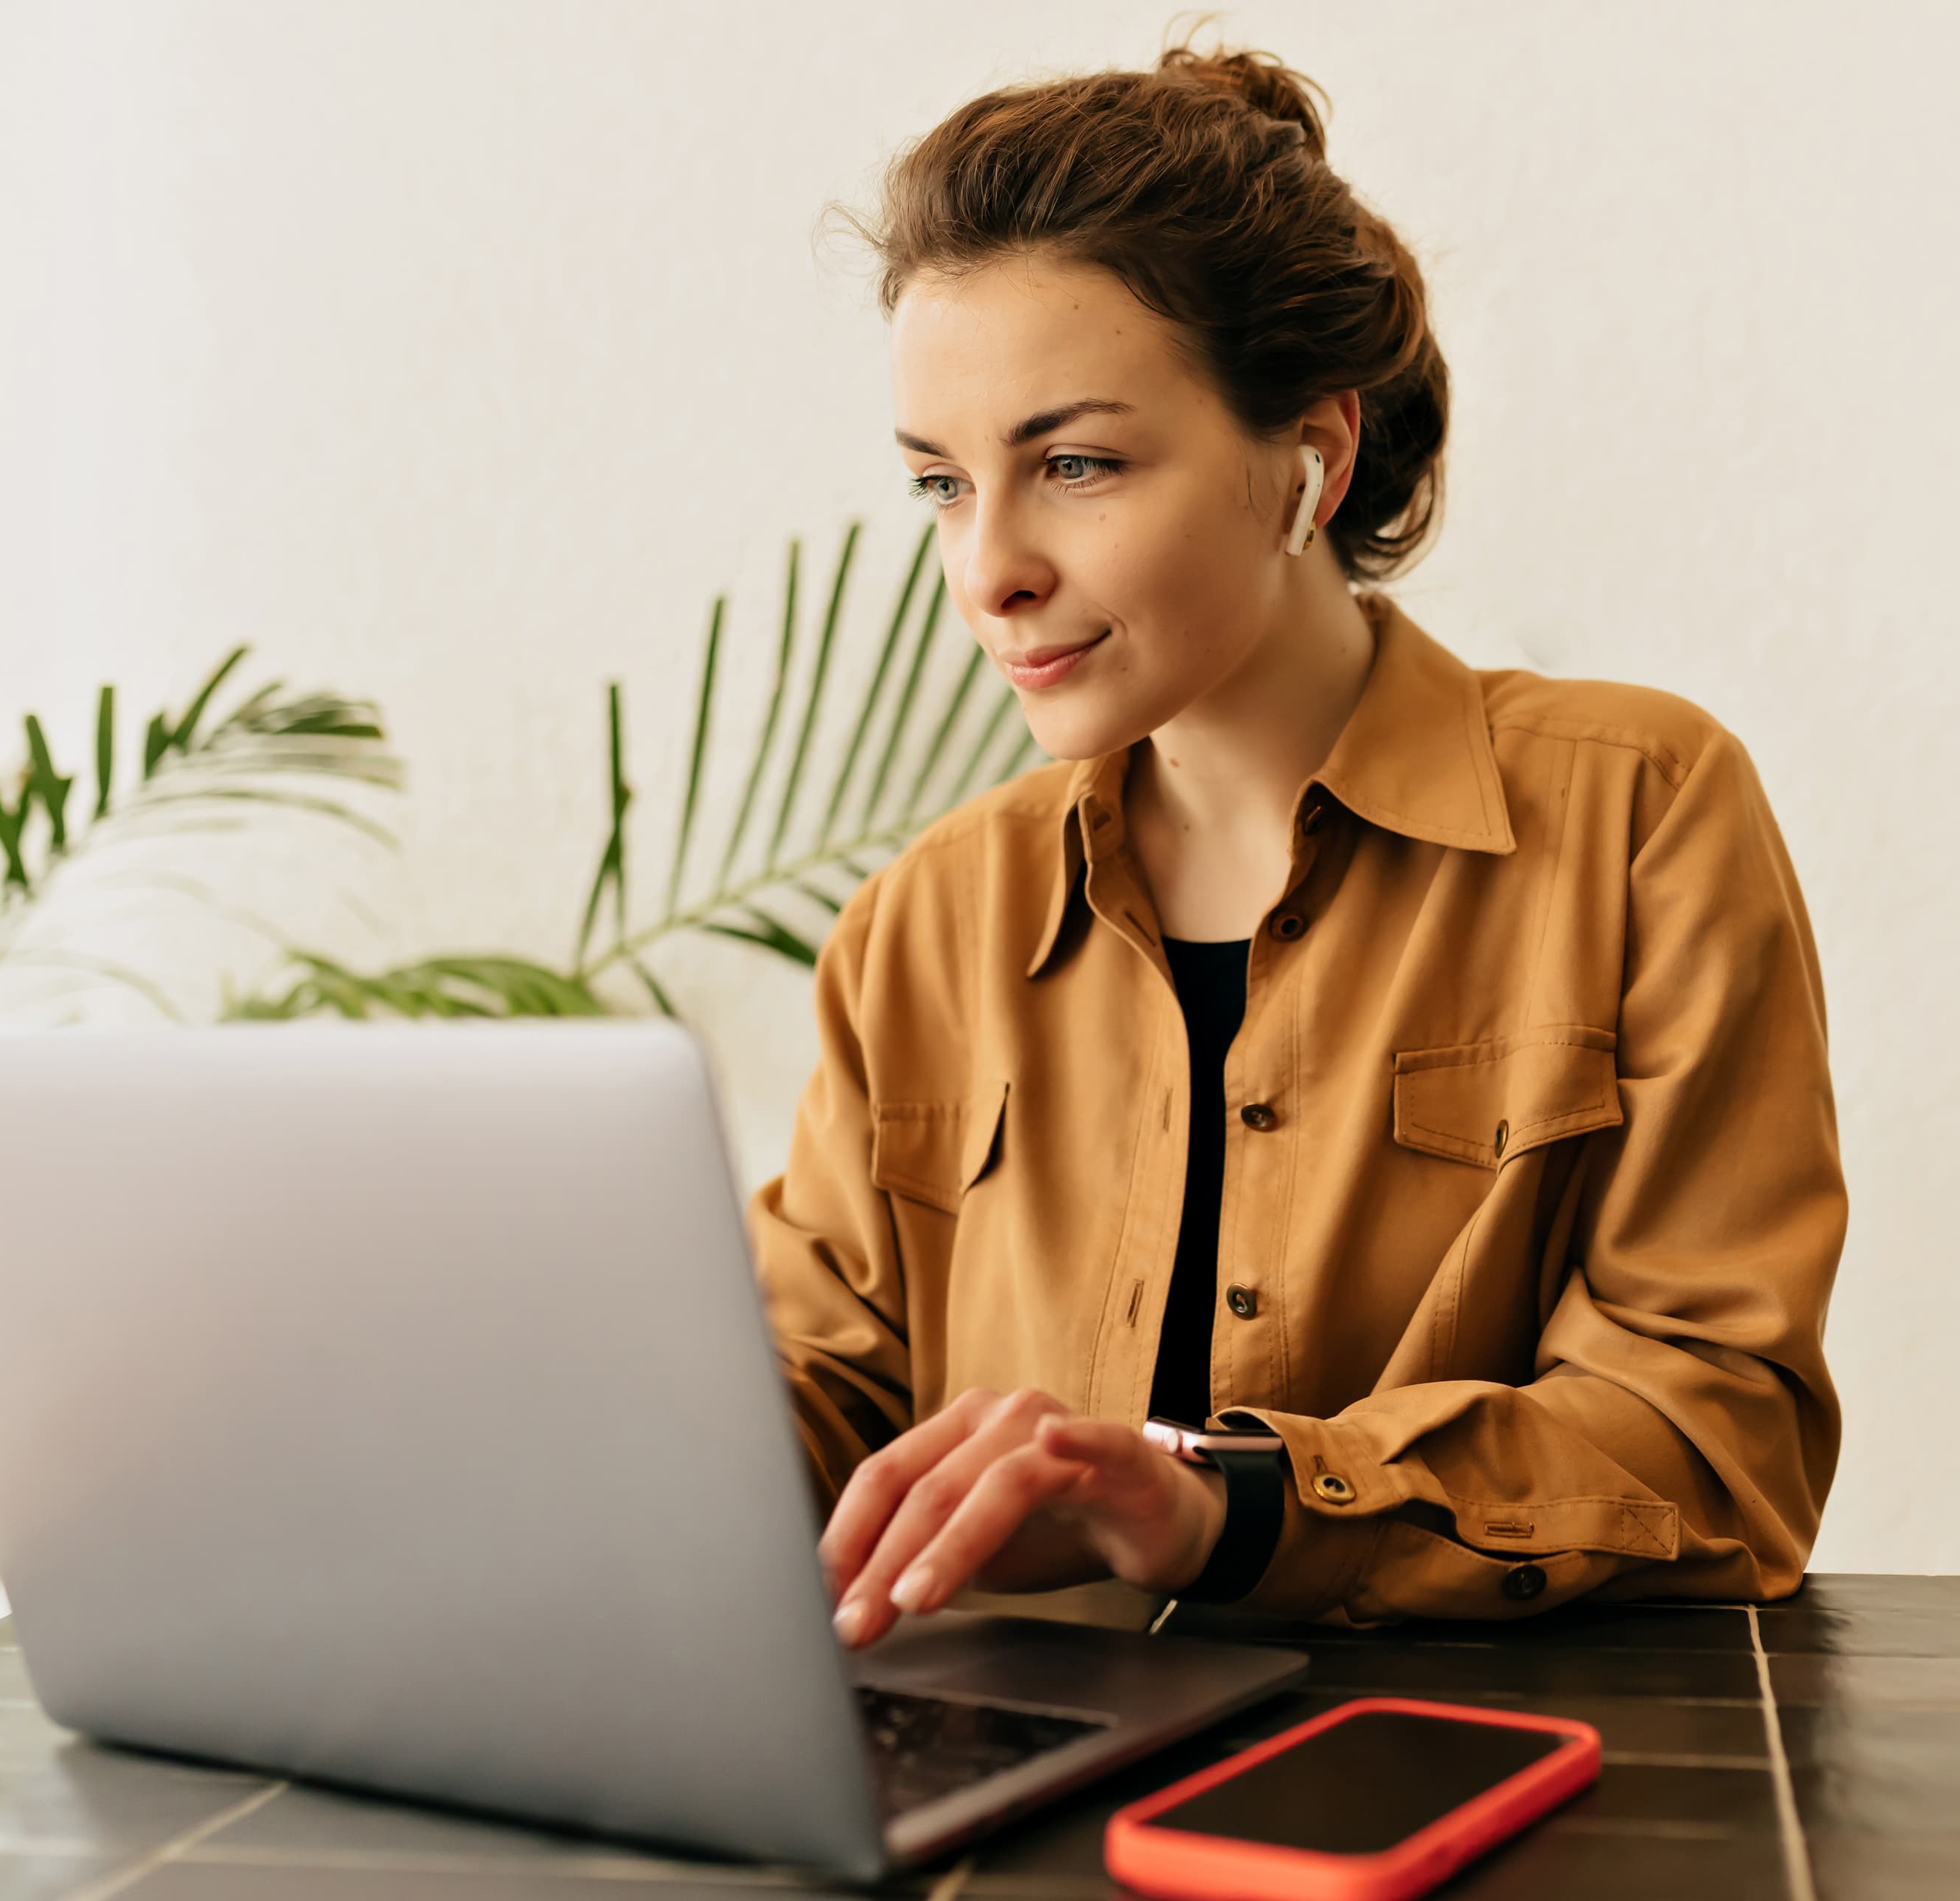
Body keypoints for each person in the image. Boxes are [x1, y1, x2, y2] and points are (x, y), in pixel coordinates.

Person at [747, 35, 1845, 1649]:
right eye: (939, 483)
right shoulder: (926, 918)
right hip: (1012, 1796)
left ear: (1309, 462)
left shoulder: (1640, 813)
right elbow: (817, 1386)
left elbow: (1713, 1440)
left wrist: (1216, 1499)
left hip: (1479, 1778)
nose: (988, 570)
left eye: (1074, 464)